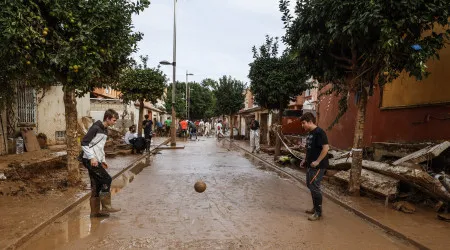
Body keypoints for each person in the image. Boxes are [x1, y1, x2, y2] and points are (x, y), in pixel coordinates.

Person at [81, 109, 121, 217]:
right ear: (107, 118)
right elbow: (84, 143)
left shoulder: (105, 130)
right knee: (107, 179)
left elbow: (100, 147)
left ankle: (95, 213)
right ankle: (106, 207)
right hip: (89, 159)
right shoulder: (95, 127)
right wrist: (92, 158)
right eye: (114, 120)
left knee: (97, 184)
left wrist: (103, 160)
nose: (115, 122)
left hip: (96, 159)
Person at [300, 112, 329, 221]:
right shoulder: (310, 133)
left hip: (318, 166)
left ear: (310, 121)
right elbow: (309, 149)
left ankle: (318, 212)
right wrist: (304, 159)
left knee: (315, 187)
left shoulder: (319, 132)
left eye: (304, 123)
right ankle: (315, 208)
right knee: (310, 185)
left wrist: (317, 161)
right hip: (310, 164)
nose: (302, 126)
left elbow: (326, 148)